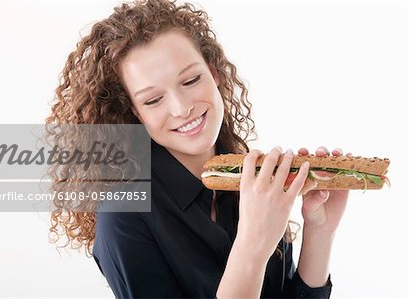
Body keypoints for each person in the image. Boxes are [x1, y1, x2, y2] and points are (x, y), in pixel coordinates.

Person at [46, 0, 350, 297]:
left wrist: (320, 231)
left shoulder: (252, 181)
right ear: (135, 112)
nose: (181, 109)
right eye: (153, 100)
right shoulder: (123, 215)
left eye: (191, 80)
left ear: (214, 72)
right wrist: (252, 246)